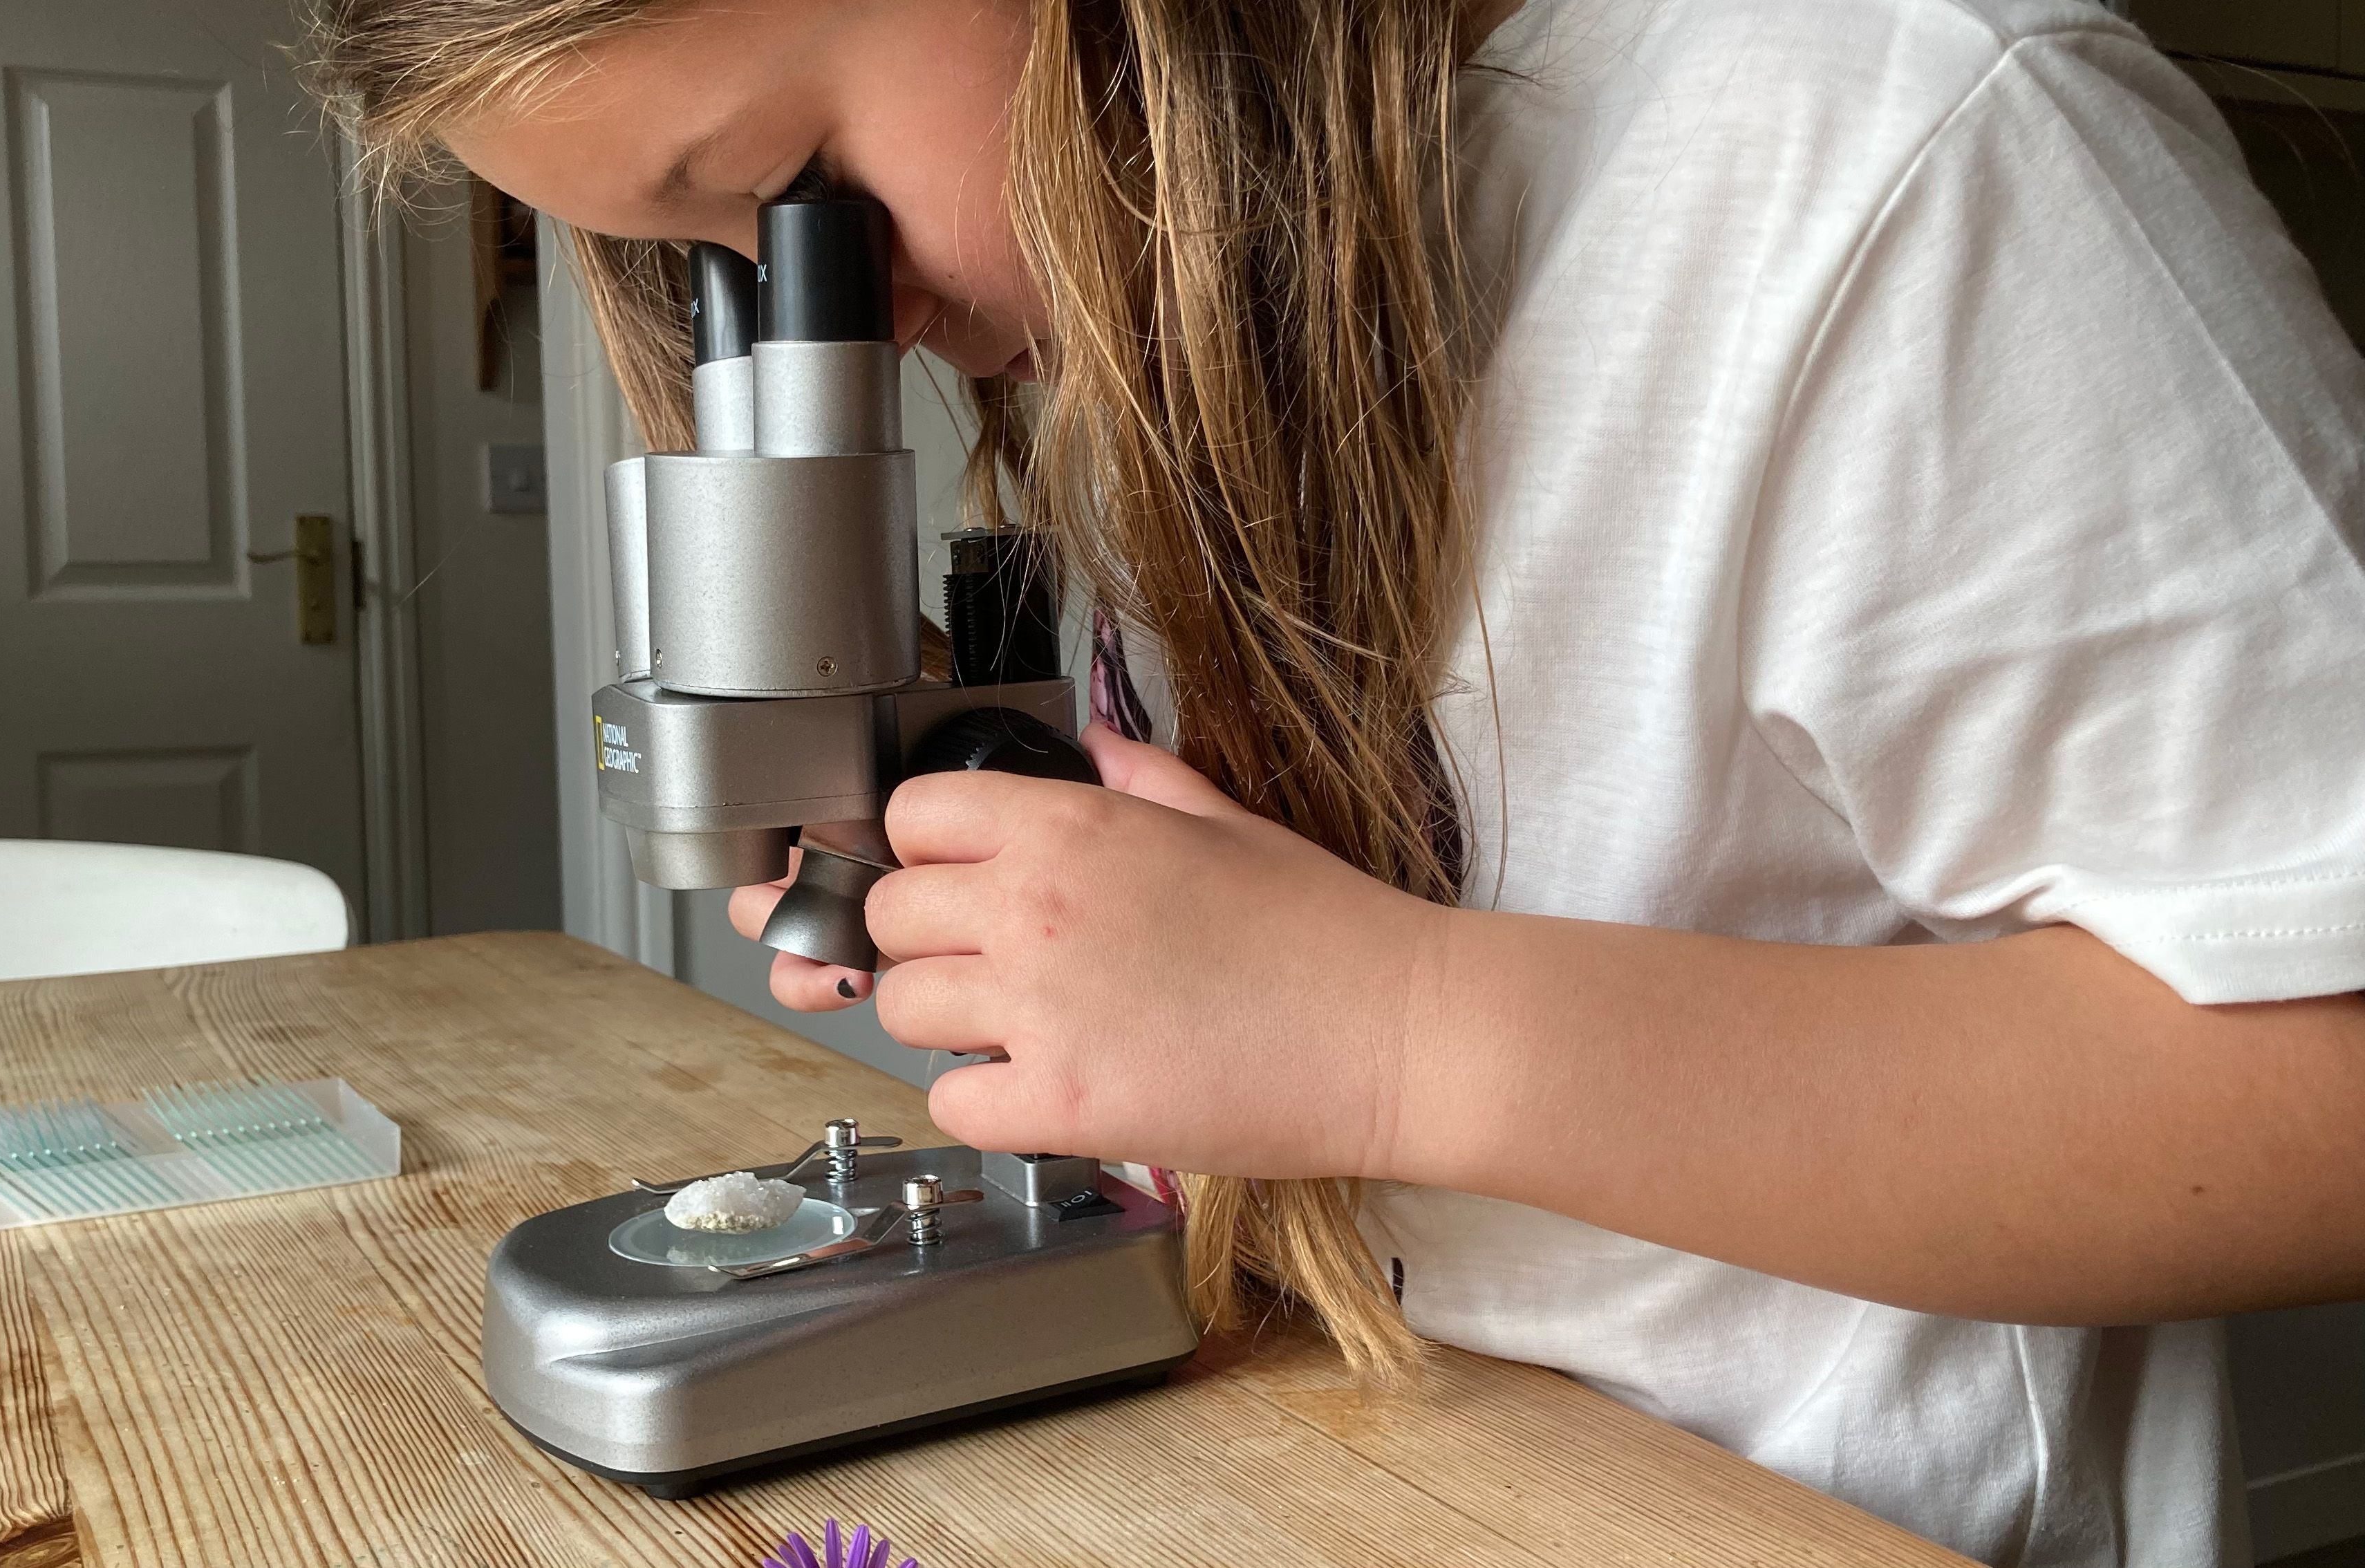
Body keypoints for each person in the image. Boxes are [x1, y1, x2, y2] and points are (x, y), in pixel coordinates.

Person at [306, 1, 2365, 1562]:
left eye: (796, 182)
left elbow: (2325, 1085)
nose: (876, 319)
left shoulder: (1882, 155)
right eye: (719, 271)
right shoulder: (1132, 309)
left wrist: (1387, 1032)